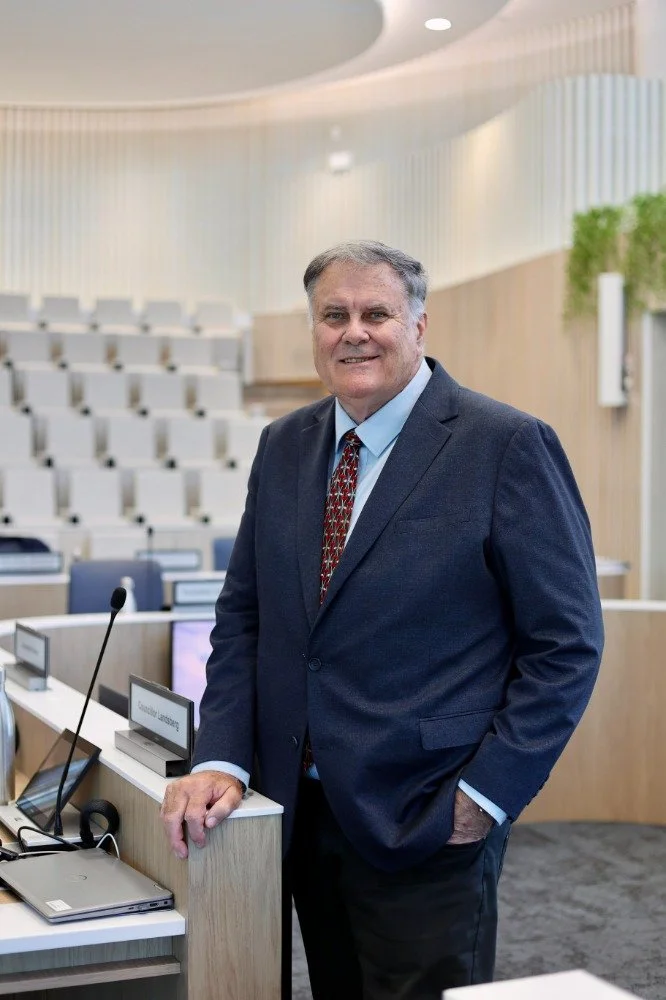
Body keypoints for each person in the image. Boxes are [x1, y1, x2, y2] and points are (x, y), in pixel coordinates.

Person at [161, 240, 604, 1000]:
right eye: (333, 315)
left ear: (419, 326)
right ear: (313, 330)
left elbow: (567, 646)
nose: (354, 332)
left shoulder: (505, 445)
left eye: (377, 313)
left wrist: (484, 798)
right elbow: (245, 617)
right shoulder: (284, 445)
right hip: (297, 813)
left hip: (428, 815)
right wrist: (223, 757)